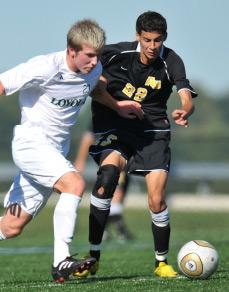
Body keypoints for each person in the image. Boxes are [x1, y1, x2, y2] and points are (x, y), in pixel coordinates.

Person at [0, 19, 143, 283]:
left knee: (11, 226)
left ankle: (58, 260)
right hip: (31, 144)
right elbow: (2, 84)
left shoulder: (93, 68)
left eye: (97, 55)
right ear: (71, 50)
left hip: (53, 154)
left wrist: (118, 106)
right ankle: (61, 262)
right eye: (88, 55)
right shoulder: (44, 67)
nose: (94, 61)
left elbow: (95, 89)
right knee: (74, 184)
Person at [76, 11, 197, 278]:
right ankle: (93, 257)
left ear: (164, 37)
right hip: (116, 126)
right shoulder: (115, 54)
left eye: (158, 40)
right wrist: (99, 86)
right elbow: (85, 65)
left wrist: (185, 109)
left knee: (156, 200)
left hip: (153, 132)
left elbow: (185, 92)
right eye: (147, 40)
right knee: (107, 178)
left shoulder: (171, 60)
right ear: (137, 36)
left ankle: (161, 263)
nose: (153, 46)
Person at [74, 129, 134, 242]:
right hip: (110, 155)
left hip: (124, 153)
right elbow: (88, 136)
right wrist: (80, 160)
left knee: (120, 184)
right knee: (112, 183)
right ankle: (110, 225)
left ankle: (108, 225)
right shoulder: (103, 113)